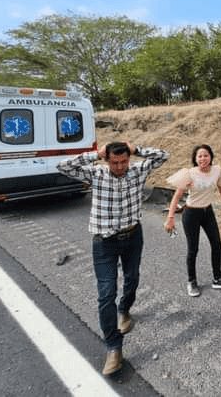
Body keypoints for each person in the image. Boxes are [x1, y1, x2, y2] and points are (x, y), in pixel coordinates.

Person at [57, 141, 168, 376]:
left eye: (124, 161)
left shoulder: (138, 170)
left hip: (132, 235)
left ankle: (125, 310)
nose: (120, 166)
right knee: (106, 293)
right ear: (107, 160)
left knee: (132, 278)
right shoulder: (96, 173)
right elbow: (63, 166)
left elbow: (162, 155)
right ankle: (113, 347)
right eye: (114, 162)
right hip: (104, 241)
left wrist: (135, 148)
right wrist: (94, 155)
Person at [164, 144, 221, 297]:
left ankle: (217, 278)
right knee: (193, 248)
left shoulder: (217, 170)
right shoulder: (189, 174)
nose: (203, 158)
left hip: (207, 211)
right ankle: (191, 281)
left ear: (211, 156)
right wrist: (170, 218)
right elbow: (176, 197)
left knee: (216, 244)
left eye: (206, 155)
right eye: (199, 156)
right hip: (191, 214)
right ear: (195, 159)